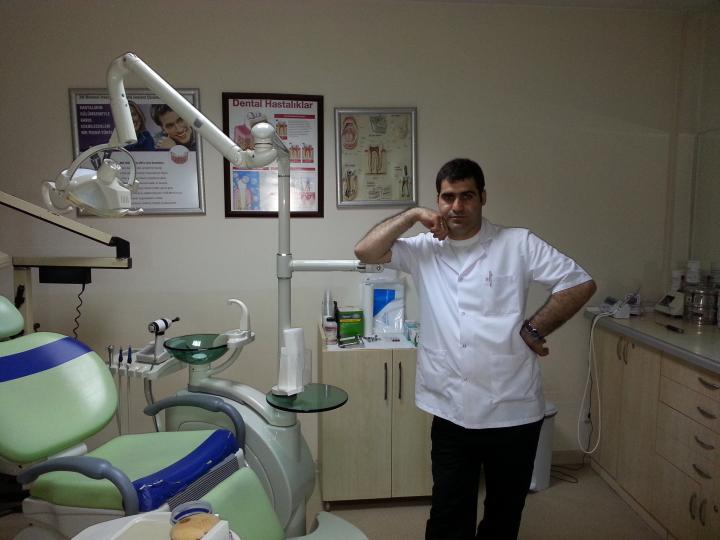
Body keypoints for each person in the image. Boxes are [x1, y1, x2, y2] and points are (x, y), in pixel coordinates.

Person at [354, 158, 596, 540]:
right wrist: (412, 214)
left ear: (483, 197)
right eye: (448, 197)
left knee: (504, 513)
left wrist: (535, 327)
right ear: (438, 201)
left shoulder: (517, 243)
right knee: (448, 512)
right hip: (451, 407)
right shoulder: (423, 249)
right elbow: (365, 251)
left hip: (512, 408)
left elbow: (579, 283)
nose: (457, 206)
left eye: (466, 196)